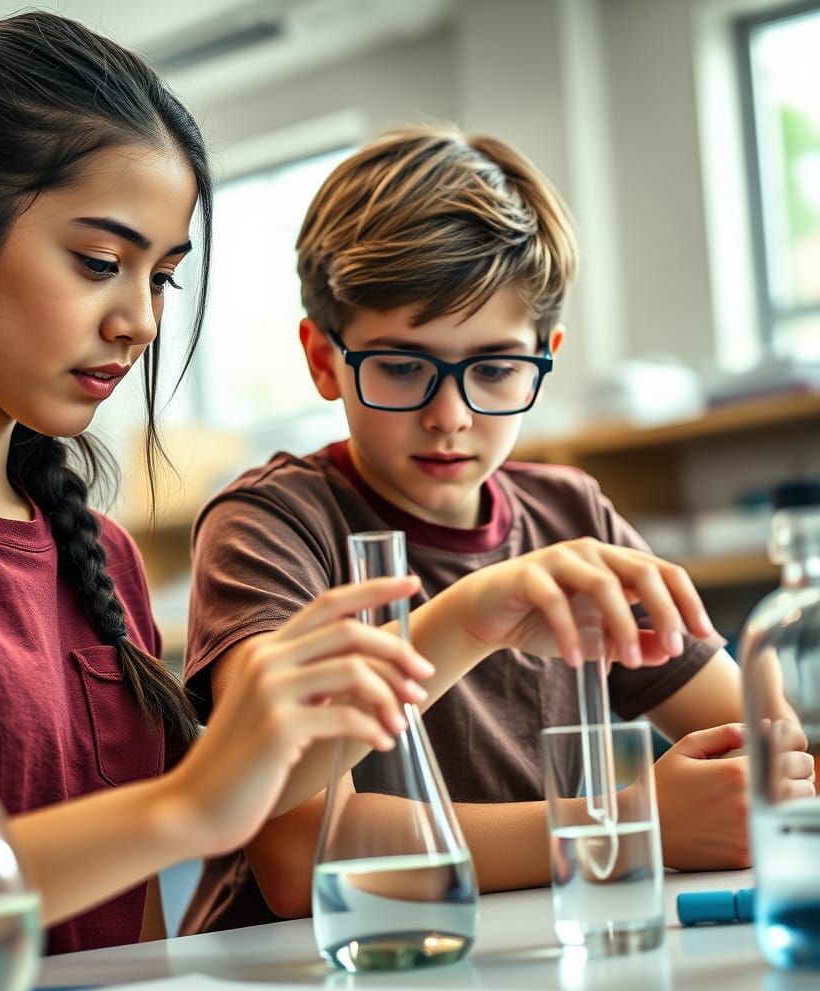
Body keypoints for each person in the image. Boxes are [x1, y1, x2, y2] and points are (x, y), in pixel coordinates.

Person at [0, 1, 437, 955]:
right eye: (100, 262)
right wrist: (188, 803)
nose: (139, 320)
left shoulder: (100, 557)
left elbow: (135, 945)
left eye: (162, 277)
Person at [179, 126, 812, 934]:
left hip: (523, 951)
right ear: (322, 358)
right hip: (309, 975)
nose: (451, 417)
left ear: (545, 355)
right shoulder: (270, 526)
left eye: (494, 368)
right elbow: (299, 857)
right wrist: (620, 824)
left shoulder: (570, 515)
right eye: (403, 366)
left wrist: (757, 780)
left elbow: (773, 752)